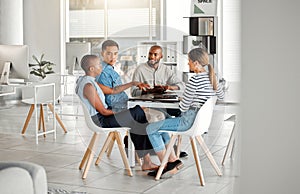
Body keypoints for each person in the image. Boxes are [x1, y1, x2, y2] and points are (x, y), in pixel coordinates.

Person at [146, 48, 225, 178]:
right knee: (163, 122)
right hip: (200, 123)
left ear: (196, 63)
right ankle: (171, 160)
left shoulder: (194, 81)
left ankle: (165, 165)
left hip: (188, 121)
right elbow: (220, 96)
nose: (188, 64)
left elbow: (183, 108)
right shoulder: (213, 78)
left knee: (150, 128)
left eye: (189, 61)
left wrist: (184, 99)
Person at [76, 54, 158, 171]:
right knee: (138, 113)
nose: (102, 66)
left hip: (101, 117)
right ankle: (146, 159)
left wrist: (133, 83)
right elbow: (103, 112)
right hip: (100, 120)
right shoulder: (88, 86)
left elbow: (113, 90)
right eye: (99, 64)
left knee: (137, 116)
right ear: (91, 69)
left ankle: (141, 156)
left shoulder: (89, 81)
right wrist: (124, 111)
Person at [131, 45, 188, 158]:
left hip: (163, 105)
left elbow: (182, 85)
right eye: (150, 53)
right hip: (148, 106)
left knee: (178, 113)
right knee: (160, 117)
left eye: (155, 54)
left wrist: (167, 87)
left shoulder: (166, 70)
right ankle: (169, 151)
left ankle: (171, 149)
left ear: (161, 56)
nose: (152, 56)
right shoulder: (140, 69)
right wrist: (147, 91)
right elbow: (133, 92)